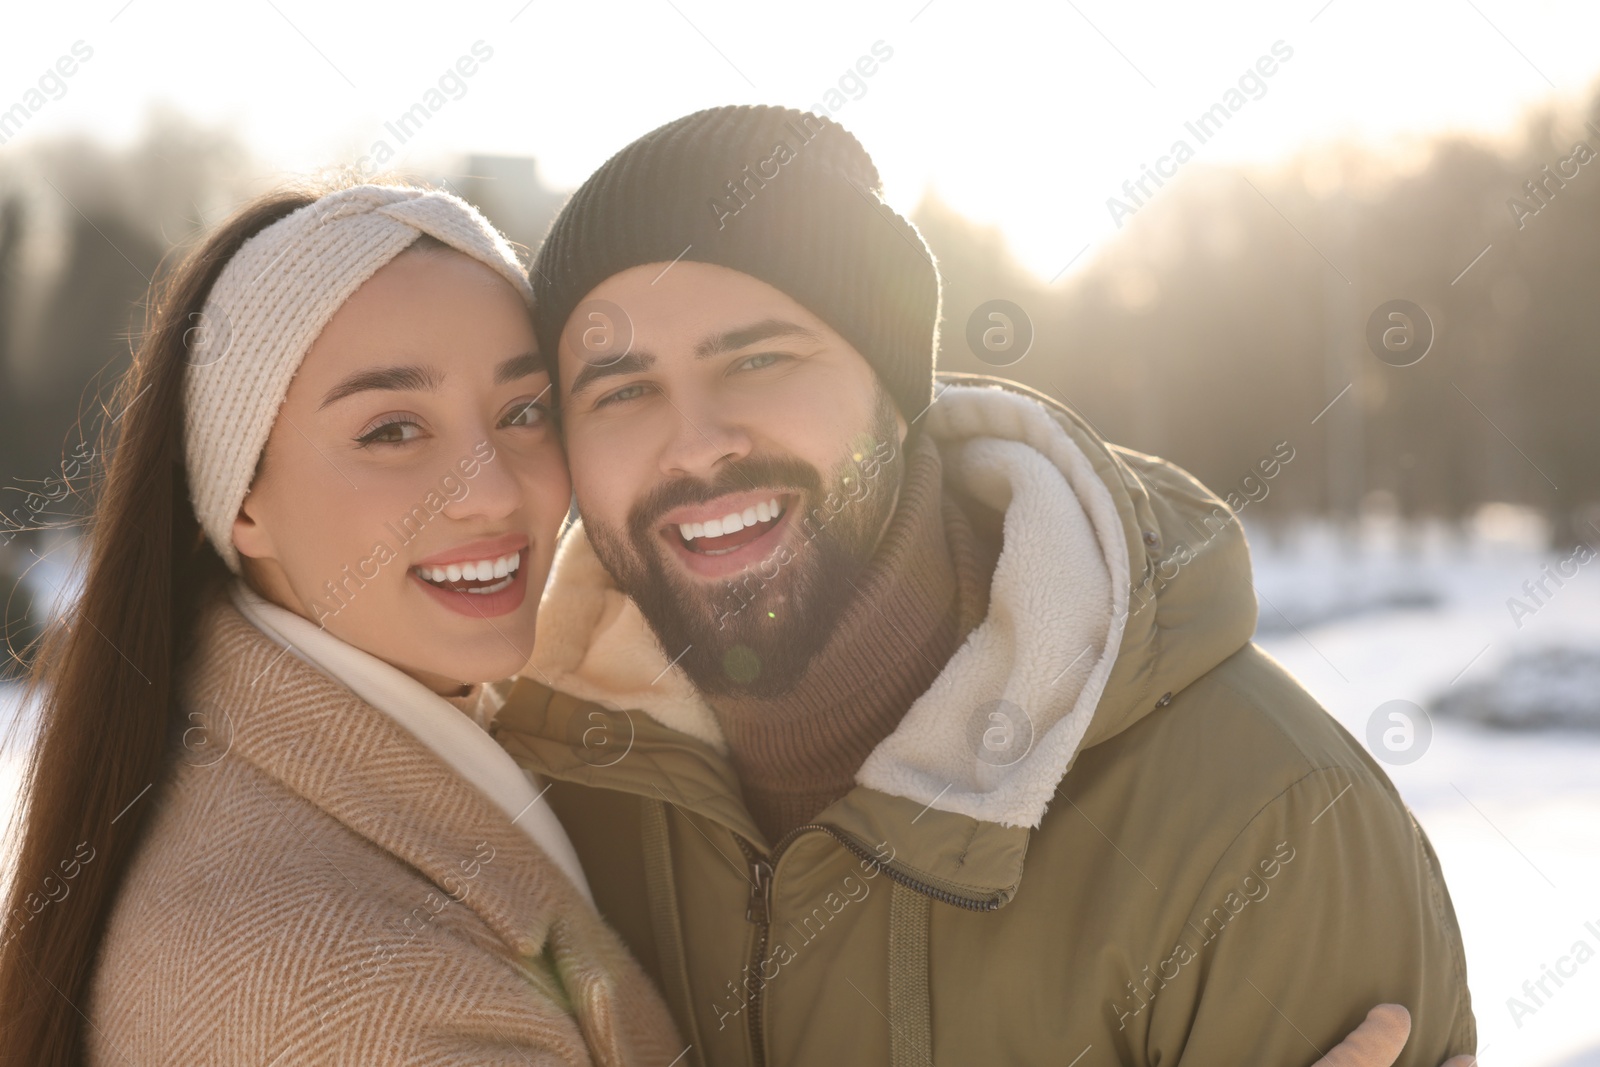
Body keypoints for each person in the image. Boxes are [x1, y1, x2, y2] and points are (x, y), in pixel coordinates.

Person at [492, 106, 1478, 1066]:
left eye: (758, 358)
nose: (695, 442)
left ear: (895, 389)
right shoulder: (528, 797)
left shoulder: (1263, 822)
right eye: (620, 389)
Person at [0, 182, 681, 1065]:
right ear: (242, 501)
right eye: (393, 430)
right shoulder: (357, 998)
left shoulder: (251, 753)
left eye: (523, 412)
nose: (493, 493)